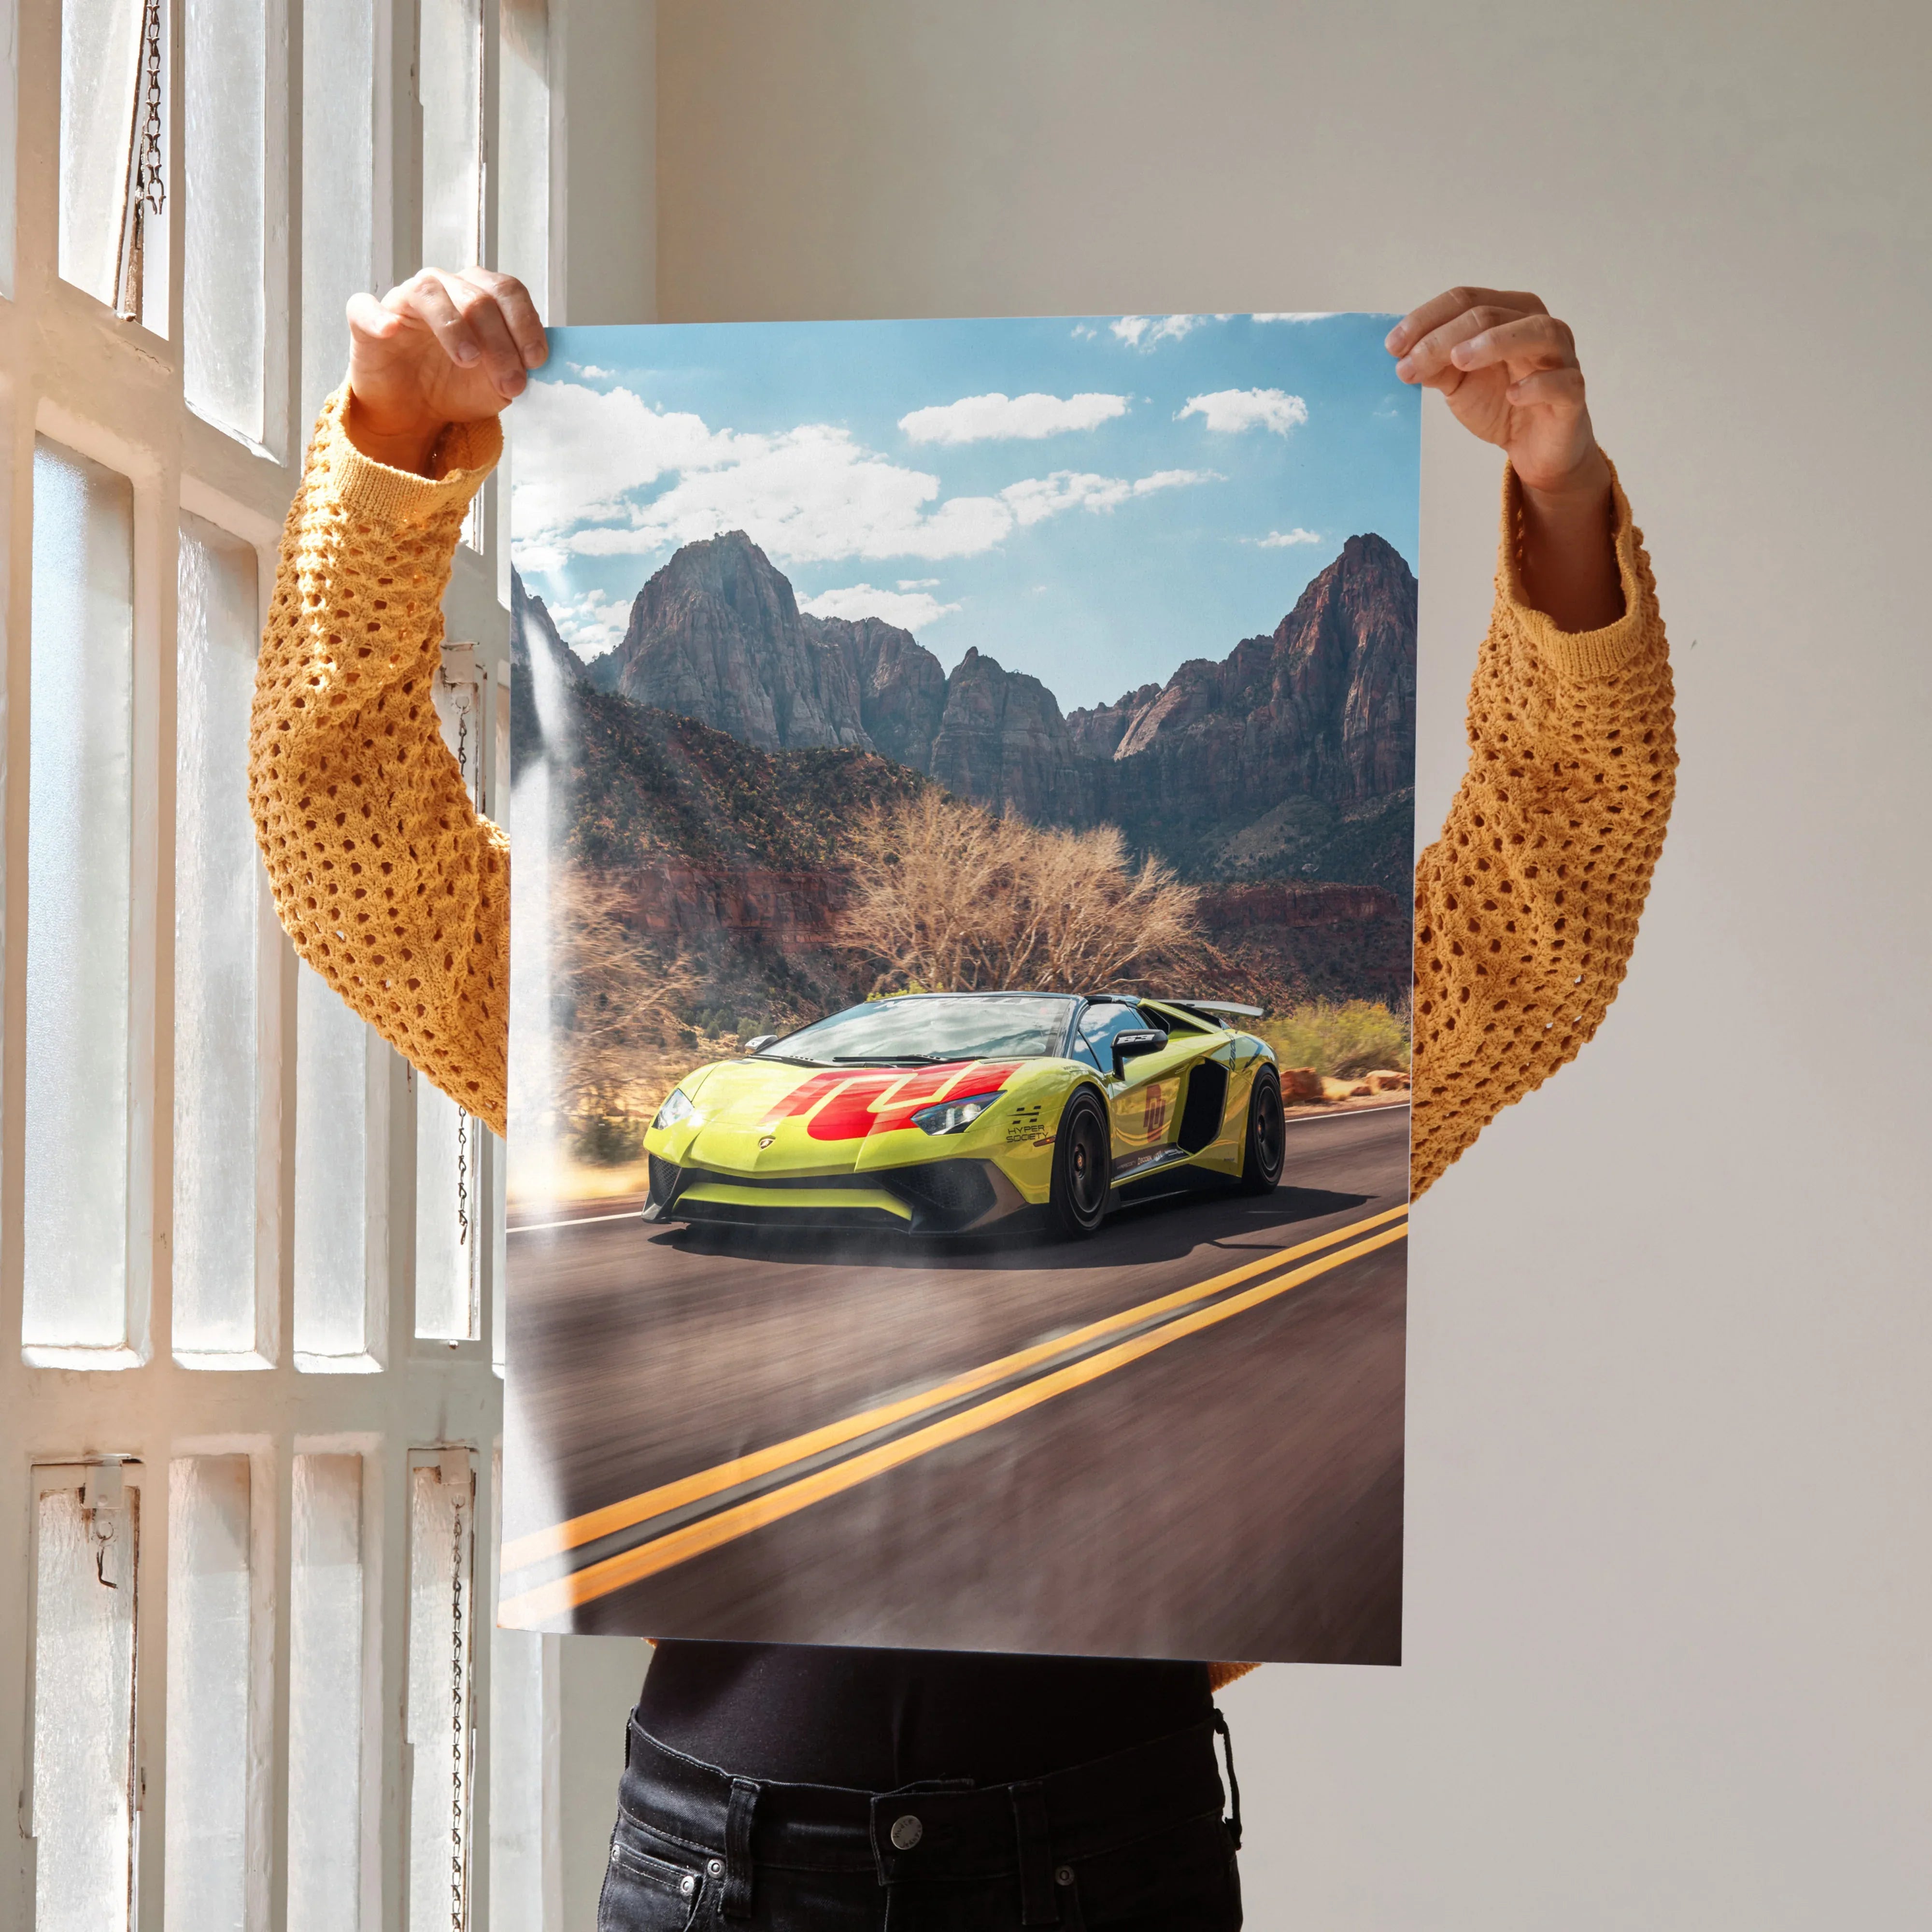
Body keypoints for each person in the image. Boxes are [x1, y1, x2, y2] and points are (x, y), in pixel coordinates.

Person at [249, 270, 1675, 1930]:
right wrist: (392, 443)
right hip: (722, 1864)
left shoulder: (1214, 1063)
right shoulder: (655, 1036)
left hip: (1103, 1851)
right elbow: (346, 842)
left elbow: (1550, 900)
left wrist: (1560, 495)